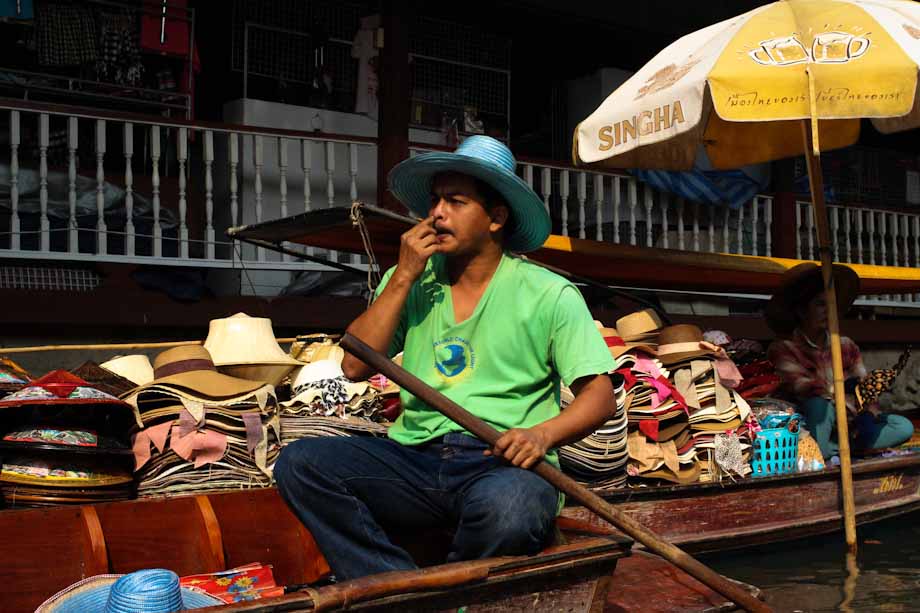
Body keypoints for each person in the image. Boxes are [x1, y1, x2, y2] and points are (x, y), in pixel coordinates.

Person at [274, 135, 617, 581]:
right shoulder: (411, 279)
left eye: (455, 201)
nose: (436, 213)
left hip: (502, 465)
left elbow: (600, 398)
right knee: (301, 465)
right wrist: (402, 279)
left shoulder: (549, 294)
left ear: (495, 218)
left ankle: (444, 591)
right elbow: (355, 366)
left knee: (510, 508)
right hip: (415, 458)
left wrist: (540, 435)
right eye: (435, 200)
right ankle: (399, 588)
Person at [766, 263, 913, 459]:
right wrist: (845, 401)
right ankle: (824, 451)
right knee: (819, 405)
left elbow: (864, 387)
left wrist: (868, 413)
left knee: (903, 426)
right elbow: (807, 388)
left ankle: (840, 449)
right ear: (802, 311)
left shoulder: (846, 346)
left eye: (831, 305)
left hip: (850, 423)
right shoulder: (783, 348)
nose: (828, 311)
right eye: (820, 305)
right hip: (810, 425)